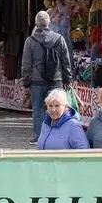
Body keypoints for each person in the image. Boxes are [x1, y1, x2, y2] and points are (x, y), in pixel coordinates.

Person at [21, 10, 73, 140]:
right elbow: (66, 61)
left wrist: (26, 81)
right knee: (58, 106)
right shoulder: (59, 38)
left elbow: (26, 64)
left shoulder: (30, 41)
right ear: (49, 22)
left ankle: (40, 136)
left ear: (36, 23)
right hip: (56, 78)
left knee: (38, 109)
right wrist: (67, 79)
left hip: (36, 80)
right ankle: (58, 134)